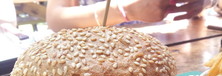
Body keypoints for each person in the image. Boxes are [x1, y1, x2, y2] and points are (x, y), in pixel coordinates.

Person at [46, 0, 209, 32]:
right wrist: (123, 9)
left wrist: (209, 1)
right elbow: (55, 18)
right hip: (92, 61)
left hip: (177, 48)